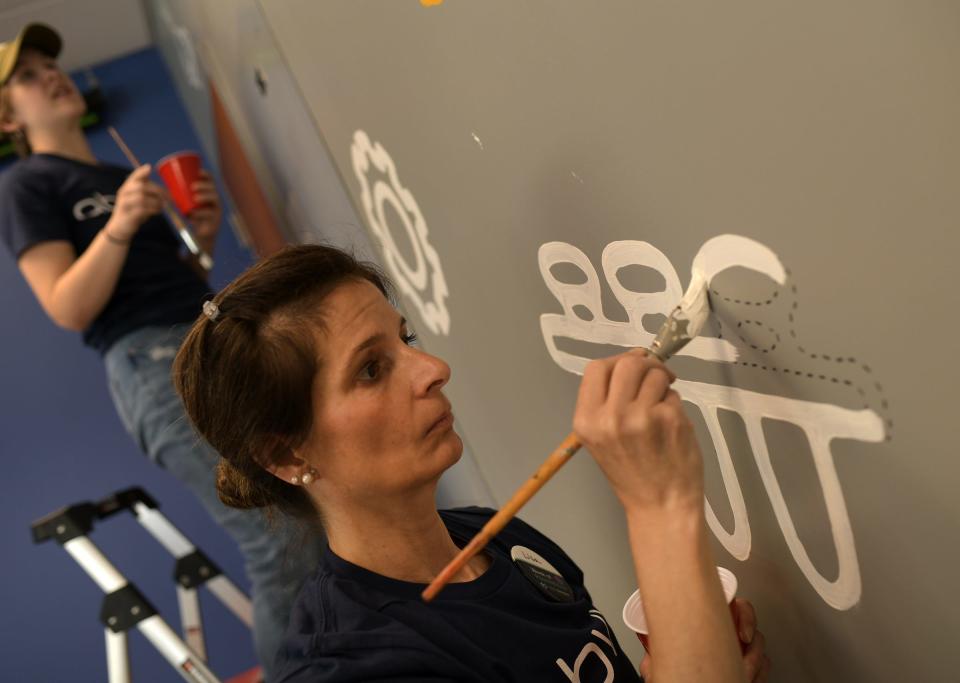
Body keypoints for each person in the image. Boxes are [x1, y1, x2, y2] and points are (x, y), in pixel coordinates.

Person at [172, 244, 771, 682]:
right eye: (371, 369)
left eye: (404, 338)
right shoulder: (355, 670)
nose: (432, 368)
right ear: (285, 453)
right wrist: (659, 503)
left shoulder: (495, 535)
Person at [0, 23, 320, 676]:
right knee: (279, 539)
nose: (50, 75)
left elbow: (173, 282)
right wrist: (118, 223)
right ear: (7, 115)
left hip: (203, 340)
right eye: (26, 75)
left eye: (48, 65)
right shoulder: (27, 185)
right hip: (152, 368)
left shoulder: (117, 172)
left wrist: (197, 238)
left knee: (307, 508)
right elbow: (67, 304)